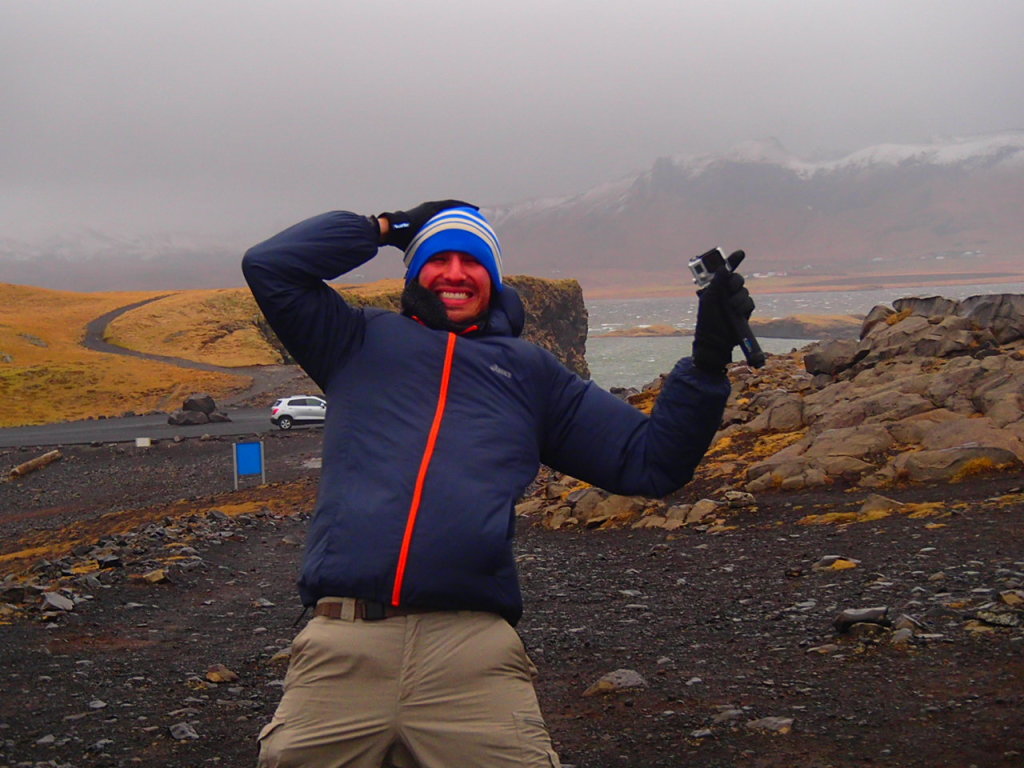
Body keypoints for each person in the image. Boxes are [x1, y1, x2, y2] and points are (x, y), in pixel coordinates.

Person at [242, 200, 754, 768]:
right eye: (438, 259)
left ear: (493, 277)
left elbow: (652, 461)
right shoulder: (355, 340)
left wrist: (708, 360)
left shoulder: (533, 375)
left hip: (471, 654)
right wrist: (384, 228)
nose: (455, 273)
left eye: (472, 261)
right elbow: (271, 266)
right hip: (345, 644)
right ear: (413, 273)